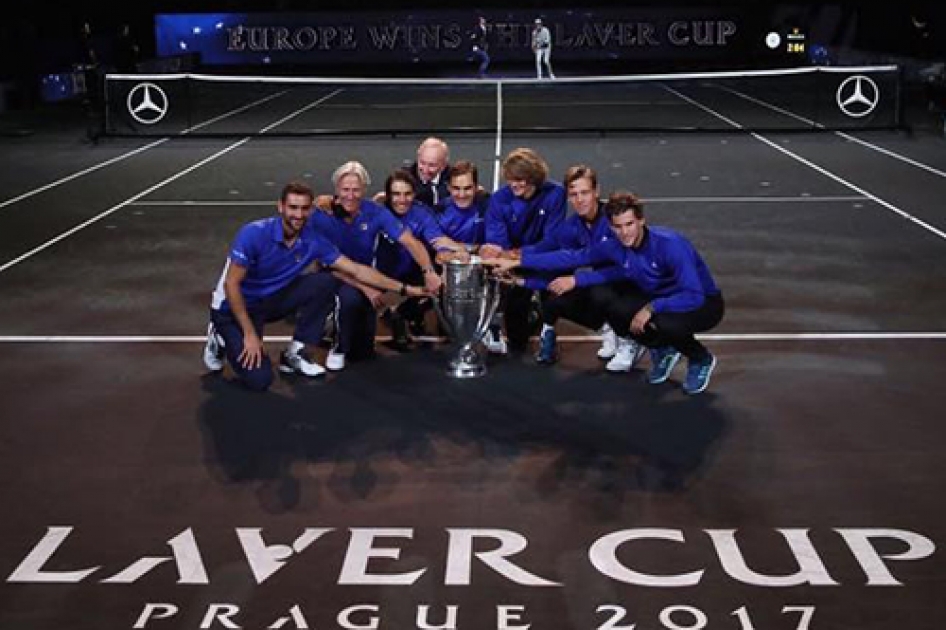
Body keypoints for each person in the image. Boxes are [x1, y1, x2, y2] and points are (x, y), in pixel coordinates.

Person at [486, 191, 724, 394]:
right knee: (616, 309)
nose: (625, 233)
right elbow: (572, 257)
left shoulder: (670, 245)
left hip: (702, 303)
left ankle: (700, 359)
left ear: (641, 220)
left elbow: (694, 294)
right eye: (618, 227)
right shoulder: (615, 246)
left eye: (629, 224)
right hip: (659, 298)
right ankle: (663, 349)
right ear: (611, 227)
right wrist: (518, 262)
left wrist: (651, 309)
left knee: (664, 323)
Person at [202, 181, 429, 391]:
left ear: (311, 210)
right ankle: (219, 339)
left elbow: (357, 270)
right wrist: (250, 334)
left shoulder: (313, 240)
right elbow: (232, 284)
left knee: (326, 281)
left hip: (271, 301)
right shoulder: (253, 234)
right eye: (292, 207)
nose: (298, 215)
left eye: (304, 209)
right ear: (280, 207)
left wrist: (406, 290)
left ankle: (296, 352)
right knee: (259, 380)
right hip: (233, 307)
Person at [311, 161, 443, 370]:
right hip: (333, 276)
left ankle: (337, 325)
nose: (351, 195)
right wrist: (366, 288)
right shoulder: (321, 215)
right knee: (350, 297)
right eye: (345, 189)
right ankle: (337, 345)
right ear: (336, 190)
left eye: (356, 190)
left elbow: (409, 241)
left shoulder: (375, 212)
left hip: (366, 275)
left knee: (363, 352)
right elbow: (325, 265)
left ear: (364, 190)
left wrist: (429, 271)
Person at [516, 165, 631, 367]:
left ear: (597, 191)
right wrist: (510, 259)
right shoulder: (573, 226)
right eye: (574, 194)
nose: (579, 200)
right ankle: (608, 328)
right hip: (606, 282)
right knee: (556, 296)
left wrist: (577, 279)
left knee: (599, 293)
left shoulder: (615, 221)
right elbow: (547, 249)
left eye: (585, 192)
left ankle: (629, 341)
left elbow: (626, 269)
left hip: (635, 283)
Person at [479, 148, 567, 353]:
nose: (515, 184)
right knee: (518, 340)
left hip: (544, 259)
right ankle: (532, 314)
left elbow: (553, 239)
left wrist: (520, 255)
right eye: (511, 179)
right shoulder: (499, 200)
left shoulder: (555, 194)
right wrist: (508, 259)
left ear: (534, 178)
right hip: (512, 262)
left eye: (521, 179)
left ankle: (548, 328)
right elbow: (497, 242)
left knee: (556, 294)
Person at [374, 169, 464, 349]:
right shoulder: (376, 213)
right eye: (396, 194)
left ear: (414, 194)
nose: (402, 200)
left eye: (407, 194)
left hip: (412, 271)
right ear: (388, 195)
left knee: (440, 278)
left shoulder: (421, 213)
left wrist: (456, 250)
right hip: (379, 274)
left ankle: (404, 313)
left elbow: (436, 239)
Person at [436, 159, 489, 255]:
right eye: (456, 188)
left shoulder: (488, 206)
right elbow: (440, 253)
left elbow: (493, 249)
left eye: (467, 188)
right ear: (449, 188)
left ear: (476, 187)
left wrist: (458, 247)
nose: (462, 195)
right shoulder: (440, 211)